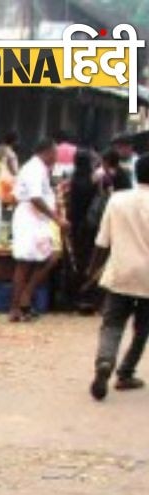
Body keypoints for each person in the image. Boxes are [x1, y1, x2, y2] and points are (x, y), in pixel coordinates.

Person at [86, 155, 149, 400]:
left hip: (120, 273)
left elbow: (102, 242)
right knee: (142, 330)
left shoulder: (118, 200)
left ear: (136, 173)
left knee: (112, 325)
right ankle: (125, 373)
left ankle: (105, 361)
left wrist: (92, 271)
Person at [10, 138, 66, 322]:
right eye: (55, 153)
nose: (57, 157)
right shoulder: (34, 168)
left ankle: (25, 297)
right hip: (30, 218)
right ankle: (16, 307)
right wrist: (56, 218)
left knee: (49, 256)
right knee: (25, 262)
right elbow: (35, 197)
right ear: (48, 152)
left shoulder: (41, 168)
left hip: (37, 219)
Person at [66, 149, 101, 313]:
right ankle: (87, 296)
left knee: (76, 261)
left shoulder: (73, 180)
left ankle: (74, 297)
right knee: (89, 260)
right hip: (89, 226)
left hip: (75, 224)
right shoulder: (92, 182)